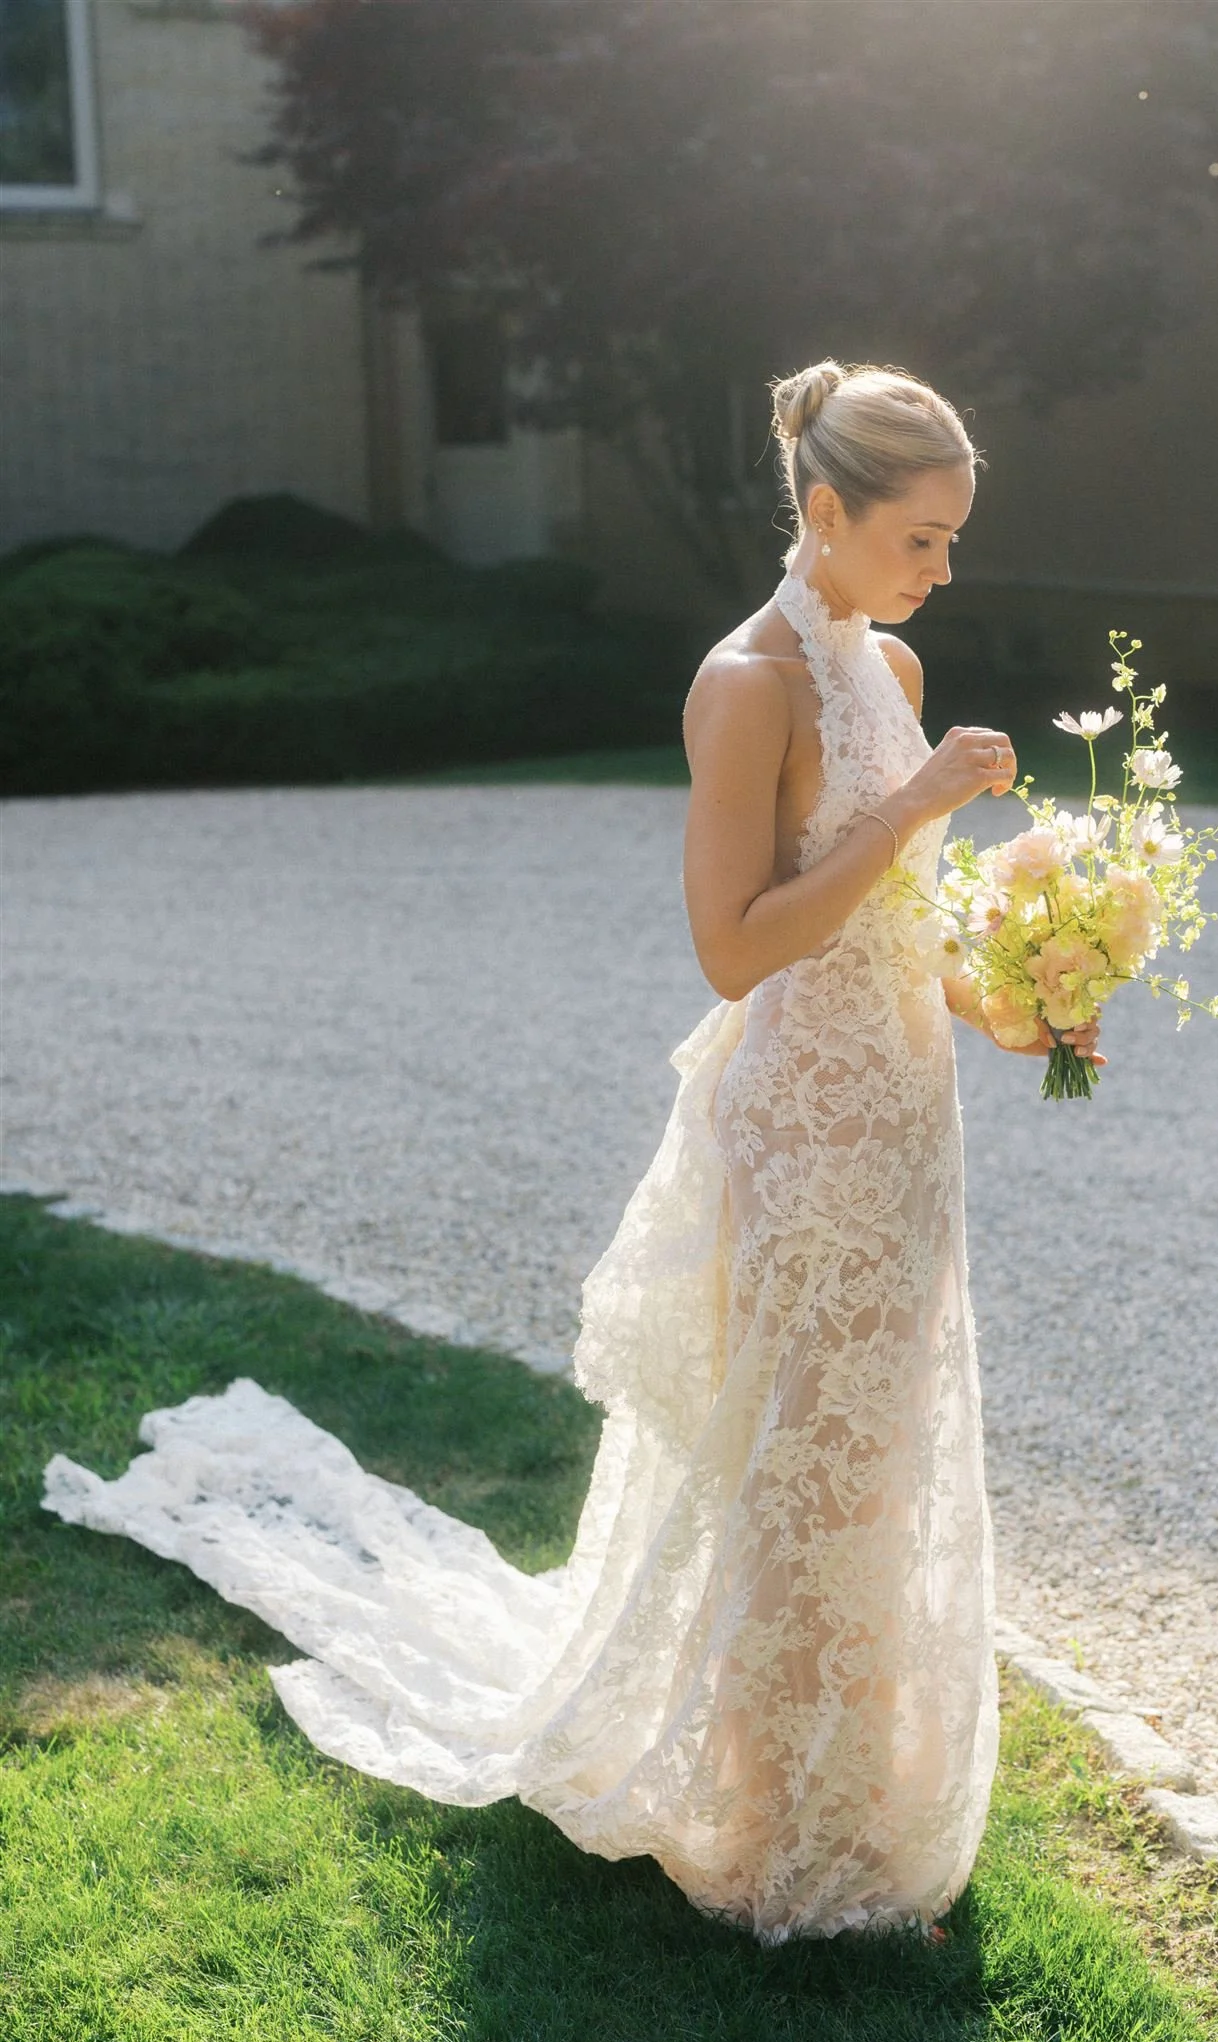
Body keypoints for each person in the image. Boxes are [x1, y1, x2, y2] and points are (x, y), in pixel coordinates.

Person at [41, 356, 1103, 1949]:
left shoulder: (890, 672)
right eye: (923, 538)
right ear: (825, 512)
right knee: (785, 1484)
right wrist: (914, 811)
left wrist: (1020, 1004)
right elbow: (735, 950)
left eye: (952, 540)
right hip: (798, 1144)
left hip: (903, 1135)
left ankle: (855, 1792)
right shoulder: (746, 683)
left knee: (870, 1473)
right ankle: (769, 1827)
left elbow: (904, 929)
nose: (945, 570)